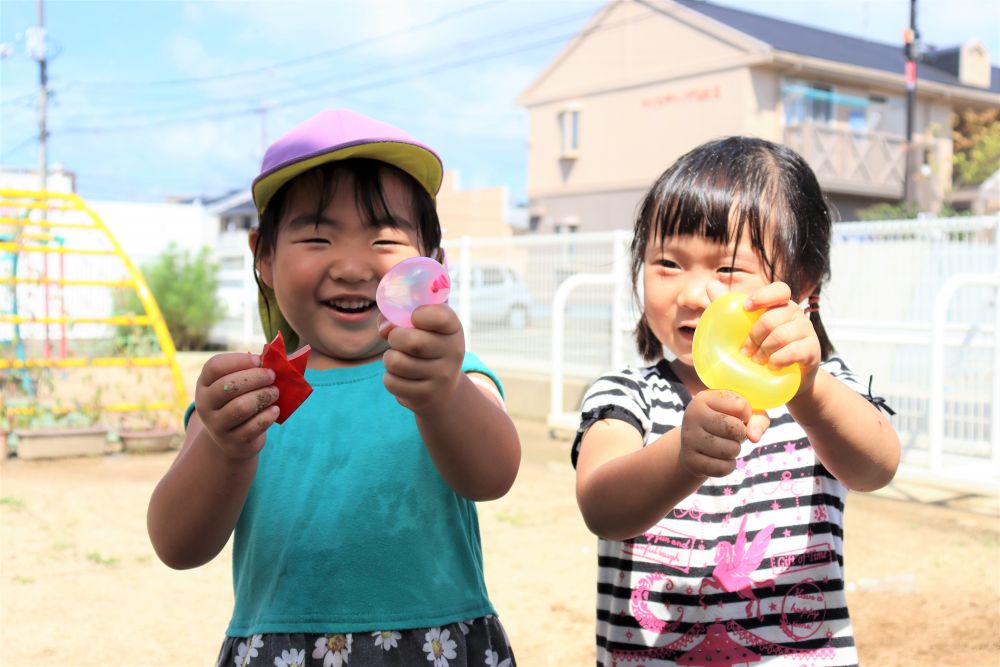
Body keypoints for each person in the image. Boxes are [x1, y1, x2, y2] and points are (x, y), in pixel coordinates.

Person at [147, 108, 521, 666]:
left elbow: (493, 477)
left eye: (386, 238)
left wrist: (443, 396)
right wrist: (224, 448)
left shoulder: (448, 375)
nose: (351, 266)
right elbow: (177, 545)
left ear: (433, 264)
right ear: (264, 257)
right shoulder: (245, 395)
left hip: (435, 648)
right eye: (318, 237)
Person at [571, 136, 900, 666]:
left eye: (726, 270)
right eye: (667, 263)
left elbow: (876, 466)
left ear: (802, 287)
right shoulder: (628, 395)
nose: (693, 293)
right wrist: (683, 454)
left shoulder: (825, 389)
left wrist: (806, 385)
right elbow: (602, 508)